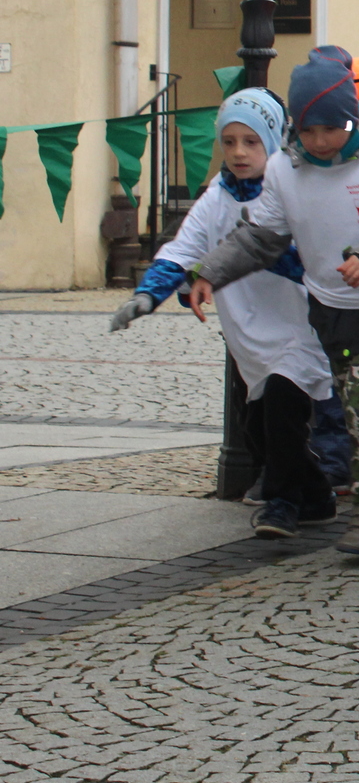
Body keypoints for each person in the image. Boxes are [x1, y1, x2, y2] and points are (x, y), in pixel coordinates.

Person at [190, 46, 359, 557]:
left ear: (352, 119)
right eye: (306, 132)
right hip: (330, 309)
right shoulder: (287, 169)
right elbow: (259, 236)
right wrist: (209, 273)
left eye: (329, 130)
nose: (319, 142)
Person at [110, 88, 336, 540]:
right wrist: (146, 297)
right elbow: (182, 250)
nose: (238, 152)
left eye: (250, 142)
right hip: (247, 337)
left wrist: (264, 255)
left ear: (272, 140)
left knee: (283, 413)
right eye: (229, 141)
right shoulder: (215, 197)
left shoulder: (295, 186)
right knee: (258, 431)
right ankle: (316, 495)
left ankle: (283, 504)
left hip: (300, 331)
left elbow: (316, 253)